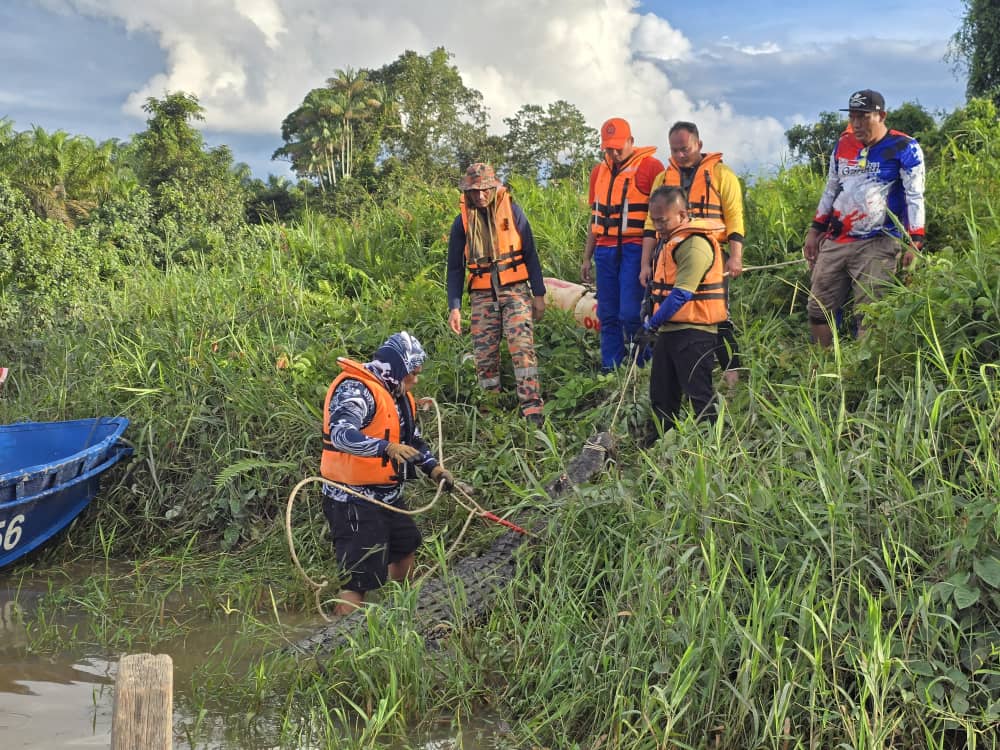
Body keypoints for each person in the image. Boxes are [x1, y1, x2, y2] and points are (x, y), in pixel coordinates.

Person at [320, 331, 454, 615]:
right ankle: (340, 634)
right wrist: (386, 448)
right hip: (352, 498)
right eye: (412, 373)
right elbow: (341, 434)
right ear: (397, 368)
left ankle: (401, 611)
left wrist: (434, 469)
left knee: (405, 546)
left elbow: (411, 440)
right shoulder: (356, 391)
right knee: (358, 577)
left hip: (388, 496)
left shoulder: (397, 395)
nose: (416, 380)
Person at [802, 89, 925, 346]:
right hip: (837, 240)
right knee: (817, 309)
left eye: (863, 117)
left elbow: (914, 196)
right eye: (853, 117)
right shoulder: (843, 145)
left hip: (878, 241)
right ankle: (824, 363)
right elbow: (831, 189)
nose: (856, 123)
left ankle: (865, 368)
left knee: (871, 315)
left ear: (881, 116)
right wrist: (815, 231)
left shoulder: (904, 146)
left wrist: (915, 240)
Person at [640, 121, 745, 387]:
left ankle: (732, 374)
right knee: (669, 309)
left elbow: (734, 217)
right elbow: (651, 225)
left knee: (717, 313)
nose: (680, 155)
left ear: (699, 144)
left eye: (685, 149)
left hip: (709, 254)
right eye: (674, 150)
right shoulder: (663, 179)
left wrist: (735, 257)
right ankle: (678, 373)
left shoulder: (721, 174)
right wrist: (645, 264)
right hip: (669, 253)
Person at [447, 162, 547, 424]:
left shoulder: (513, 212)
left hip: (515, 290)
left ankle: (532, 407)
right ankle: (491, 409)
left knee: (522, 347)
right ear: (467, 192)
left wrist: (538, 295)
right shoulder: (462, 222)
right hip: (482, 295)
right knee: (484, 355)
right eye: (474, 191)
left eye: (485, 190)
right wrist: (454, 307)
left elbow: (531, 254)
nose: (480, 196)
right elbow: (455, 267)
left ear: (494, 188)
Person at [639, 187, 727, 443]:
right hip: (670, 330)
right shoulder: (668, 241)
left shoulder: (694, 244)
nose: (658, 227)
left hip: (694, 332)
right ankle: (659, 444)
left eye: (663, 221)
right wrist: (648, 315)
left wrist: (651, 325)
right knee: (661, 393)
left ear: (682, 214)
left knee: (699, 393)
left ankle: (713, 447)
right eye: (654, 221)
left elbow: (681, 294)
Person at [582, 118, 664, 372]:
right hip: (604, 250)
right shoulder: (598, 172)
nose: (614, 153)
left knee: (631, 313)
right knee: (607, 314)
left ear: (631, 141)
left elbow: (663, 214)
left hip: (635, 248)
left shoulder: (651, 167)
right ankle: (612, 369)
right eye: (608, 148)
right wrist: (586, 257)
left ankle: (644, 365)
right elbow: (595, 218)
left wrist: (653, 258)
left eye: (618, 147)